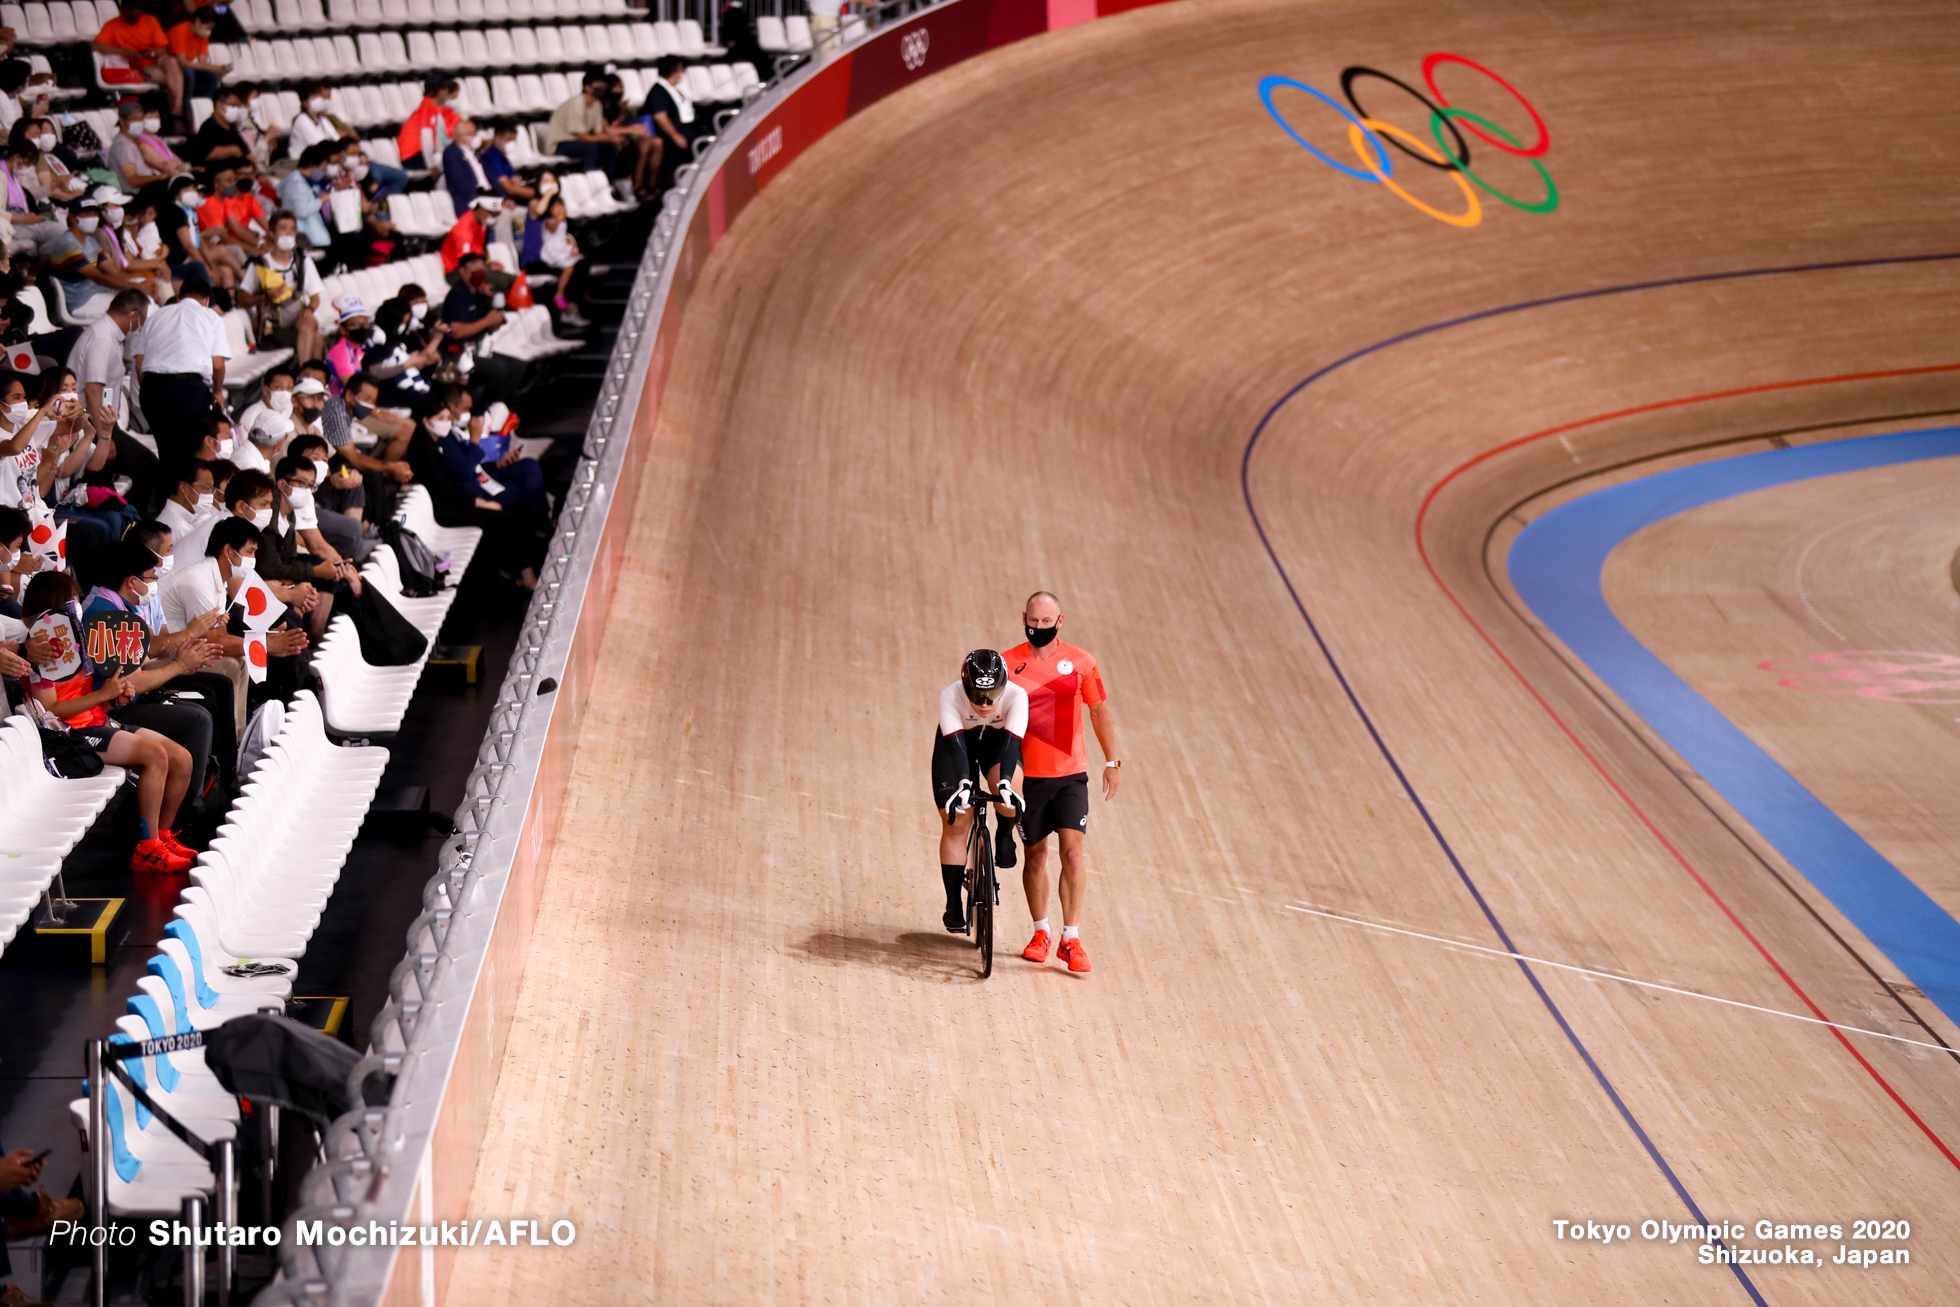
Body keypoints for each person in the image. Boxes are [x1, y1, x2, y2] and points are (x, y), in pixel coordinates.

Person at [22, 569, 199, 873]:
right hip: (71, 735)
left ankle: (162, 837)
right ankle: (147, 850)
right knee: (155, 756)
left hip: (97, 719)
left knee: (181, 758)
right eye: (71, 599)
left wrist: (112, 697)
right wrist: (103, 694)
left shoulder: (74, 644)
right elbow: (52, 710)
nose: (77, 605)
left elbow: (79, 693)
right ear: (53, 604)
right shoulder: (42, 652)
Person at [1003, 591, 1120, 973]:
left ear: (1060, 621)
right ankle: (1041, 932)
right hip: (1028, 778)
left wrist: (1112, 760)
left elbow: (1099, 712)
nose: (1038, 629)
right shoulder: (1008, 662)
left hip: (1070, 775)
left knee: (1072, 854)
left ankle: (1071, 939)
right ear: (1024, 618)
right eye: (1032, 623)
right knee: (1036, 856)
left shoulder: (1082, 662)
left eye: (1045, 623)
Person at [930, 649, 1027, 933]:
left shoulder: (1017, 696)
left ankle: (1005, 833)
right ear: (964, 686)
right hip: (959, 745)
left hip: (998, 744)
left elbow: (1011, 746)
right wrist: (963, 784)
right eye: (977, 696)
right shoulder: (950, 696)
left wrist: (1006, 784)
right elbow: (957, 750)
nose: (985, 705)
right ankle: (953, 904)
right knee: (957, 821)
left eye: (993, 695)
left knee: (1012, 798)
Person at [135, 277, 230, 465]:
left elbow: (139, 364)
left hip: (152, 389)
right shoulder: (210, 317)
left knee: (167, 454)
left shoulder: (156, 315)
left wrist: (154, 389)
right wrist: (217, 391)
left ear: (178, 297)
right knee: (190, 456)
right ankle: (186, 492)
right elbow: (218, 365)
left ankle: (167, 493)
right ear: (206, 300)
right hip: (187, 390)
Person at [237, 210, 321, 363]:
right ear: (272, 234)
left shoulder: (302, 261)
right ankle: (307, 376)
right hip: (272, 326)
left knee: (309, 322)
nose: (289, 233)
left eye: (292, 229)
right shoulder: (261, 264)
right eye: (283, 229)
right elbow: (242, 299)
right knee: (317, 336)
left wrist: (309, 310)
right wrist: (266, 296)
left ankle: (307, 377)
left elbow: (315, 297)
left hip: (297, 320)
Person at [93, 0, 185, 130]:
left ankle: (176, 110)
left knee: (172, 62)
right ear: (122, 9)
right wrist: (122, 52)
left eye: (136, 9)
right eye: (130, 9)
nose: (134, 13)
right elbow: (96, 45)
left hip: (153, 60)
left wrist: (150, 52)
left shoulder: (150, 20)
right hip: (136, 67)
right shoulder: (113, 25)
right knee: (175, 78)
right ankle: (176, 114)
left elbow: (164, 49)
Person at [544, 68, 628, 177]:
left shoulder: (597, 104)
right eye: (598, 85)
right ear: (587, 87)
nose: (602, 88)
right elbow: (582, 137)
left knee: (610, 147)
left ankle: (608, 183)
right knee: (591, 148)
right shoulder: (577, 103)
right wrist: (609, 138)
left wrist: (613, 139)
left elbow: (598, 134)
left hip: (579, 142)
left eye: (603, 85)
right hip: (561, 144)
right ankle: (590, 180)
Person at [520, 196, 587, 325]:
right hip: (551, 254)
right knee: (569, 267)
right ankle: (559, 294)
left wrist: (571, 244)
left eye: (560, 206)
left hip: (561, 250)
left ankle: (576, 302)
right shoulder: (548, 222)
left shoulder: (563, 222)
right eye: (555, 206)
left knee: (581, 263)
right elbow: (554, 228)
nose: (559, 209)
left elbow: (564, 235)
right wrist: (559, 218)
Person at [642, 56, 699, 189]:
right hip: (674, 139)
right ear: (674, 72)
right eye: (681, 70)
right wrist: (675, 135)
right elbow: (660, 116)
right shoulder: (658, 92)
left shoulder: (672, 90)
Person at [397, 76, 459, 171]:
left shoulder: (430, 106)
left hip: (417, 154)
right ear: (440, 91)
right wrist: (431, 165)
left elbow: (435, 138)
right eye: (446, 90)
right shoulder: (427, 108)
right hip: (412, 157)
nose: (447, 94)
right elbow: (426, 138)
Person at [165, 8, 227, 103]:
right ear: (197, 22)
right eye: (207, 27)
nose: (209, 31)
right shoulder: (180, 31)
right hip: (173, 67)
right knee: (189, 74)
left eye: (211, 28)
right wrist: (209, 67)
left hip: (187, 66)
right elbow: (183, 62)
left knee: (211, 78)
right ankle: (187, 109)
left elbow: (202, 61)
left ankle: (205, 106)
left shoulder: (203, 35)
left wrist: (214, 68)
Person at [183, 87, 250, 170]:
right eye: (232, 105)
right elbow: (207, 154)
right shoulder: (209, 127)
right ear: (219, 104)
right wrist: (233, 150)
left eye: (237, 106)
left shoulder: (232, 128)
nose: (235, 110)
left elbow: (244, 151)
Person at [442, 118, 494, 217]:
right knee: (504, 214)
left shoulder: (477, 153)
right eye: (474, 133)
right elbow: (463, 185)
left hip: (490, 198)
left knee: (516, 210)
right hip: (473, 203)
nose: (477, 137)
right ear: (463, 137)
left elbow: (492, 178)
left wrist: (504, 199)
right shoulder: (452, 154)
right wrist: (481, 204)